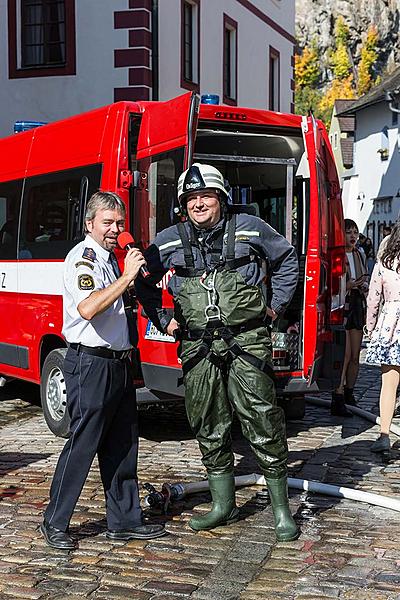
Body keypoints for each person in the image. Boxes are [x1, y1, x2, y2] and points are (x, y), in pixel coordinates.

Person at [137, 164, 300, 542]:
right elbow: (141, 281)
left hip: (248, 341)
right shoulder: (168, 240)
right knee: (207, 421)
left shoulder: (252, 227)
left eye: (205, 196)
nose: (198, 204)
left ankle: (281, 511)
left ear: (221, 198)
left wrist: (274, 306)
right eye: (191, 199)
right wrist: (164, 321)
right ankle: (222, 505)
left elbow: (287, 259)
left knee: (262, 418)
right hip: (196, 345)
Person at [41, 191, 166, 550]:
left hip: (119, 364)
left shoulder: (113, 259)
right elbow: (89, 308)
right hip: (90, 364)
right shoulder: (83, 258)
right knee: (83, 444)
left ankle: (124, 520)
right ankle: (54, 521)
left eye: (120, 223)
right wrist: (127, 277)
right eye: (108, 223)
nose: (116, 229)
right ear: (90, 224)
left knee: (123, 445)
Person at [364, 221, 400, 455]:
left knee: (388, 384)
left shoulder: (385, 258)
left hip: (390, 327)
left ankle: (384, 435)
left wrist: (370, 326)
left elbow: (374, 297)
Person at [331, 219, 369, 415]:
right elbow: (335, 286)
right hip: (342, 305)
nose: (353, 236)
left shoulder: (358, 254)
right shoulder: (337, 256)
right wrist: (351, 285)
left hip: (357, 304)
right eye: (349, 232)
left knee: (355, 355)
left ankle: (349, 393)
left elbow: (364, 277)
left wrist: (362, 285)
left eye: (355, 232)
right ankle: (337, 396)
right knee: (344, 355)